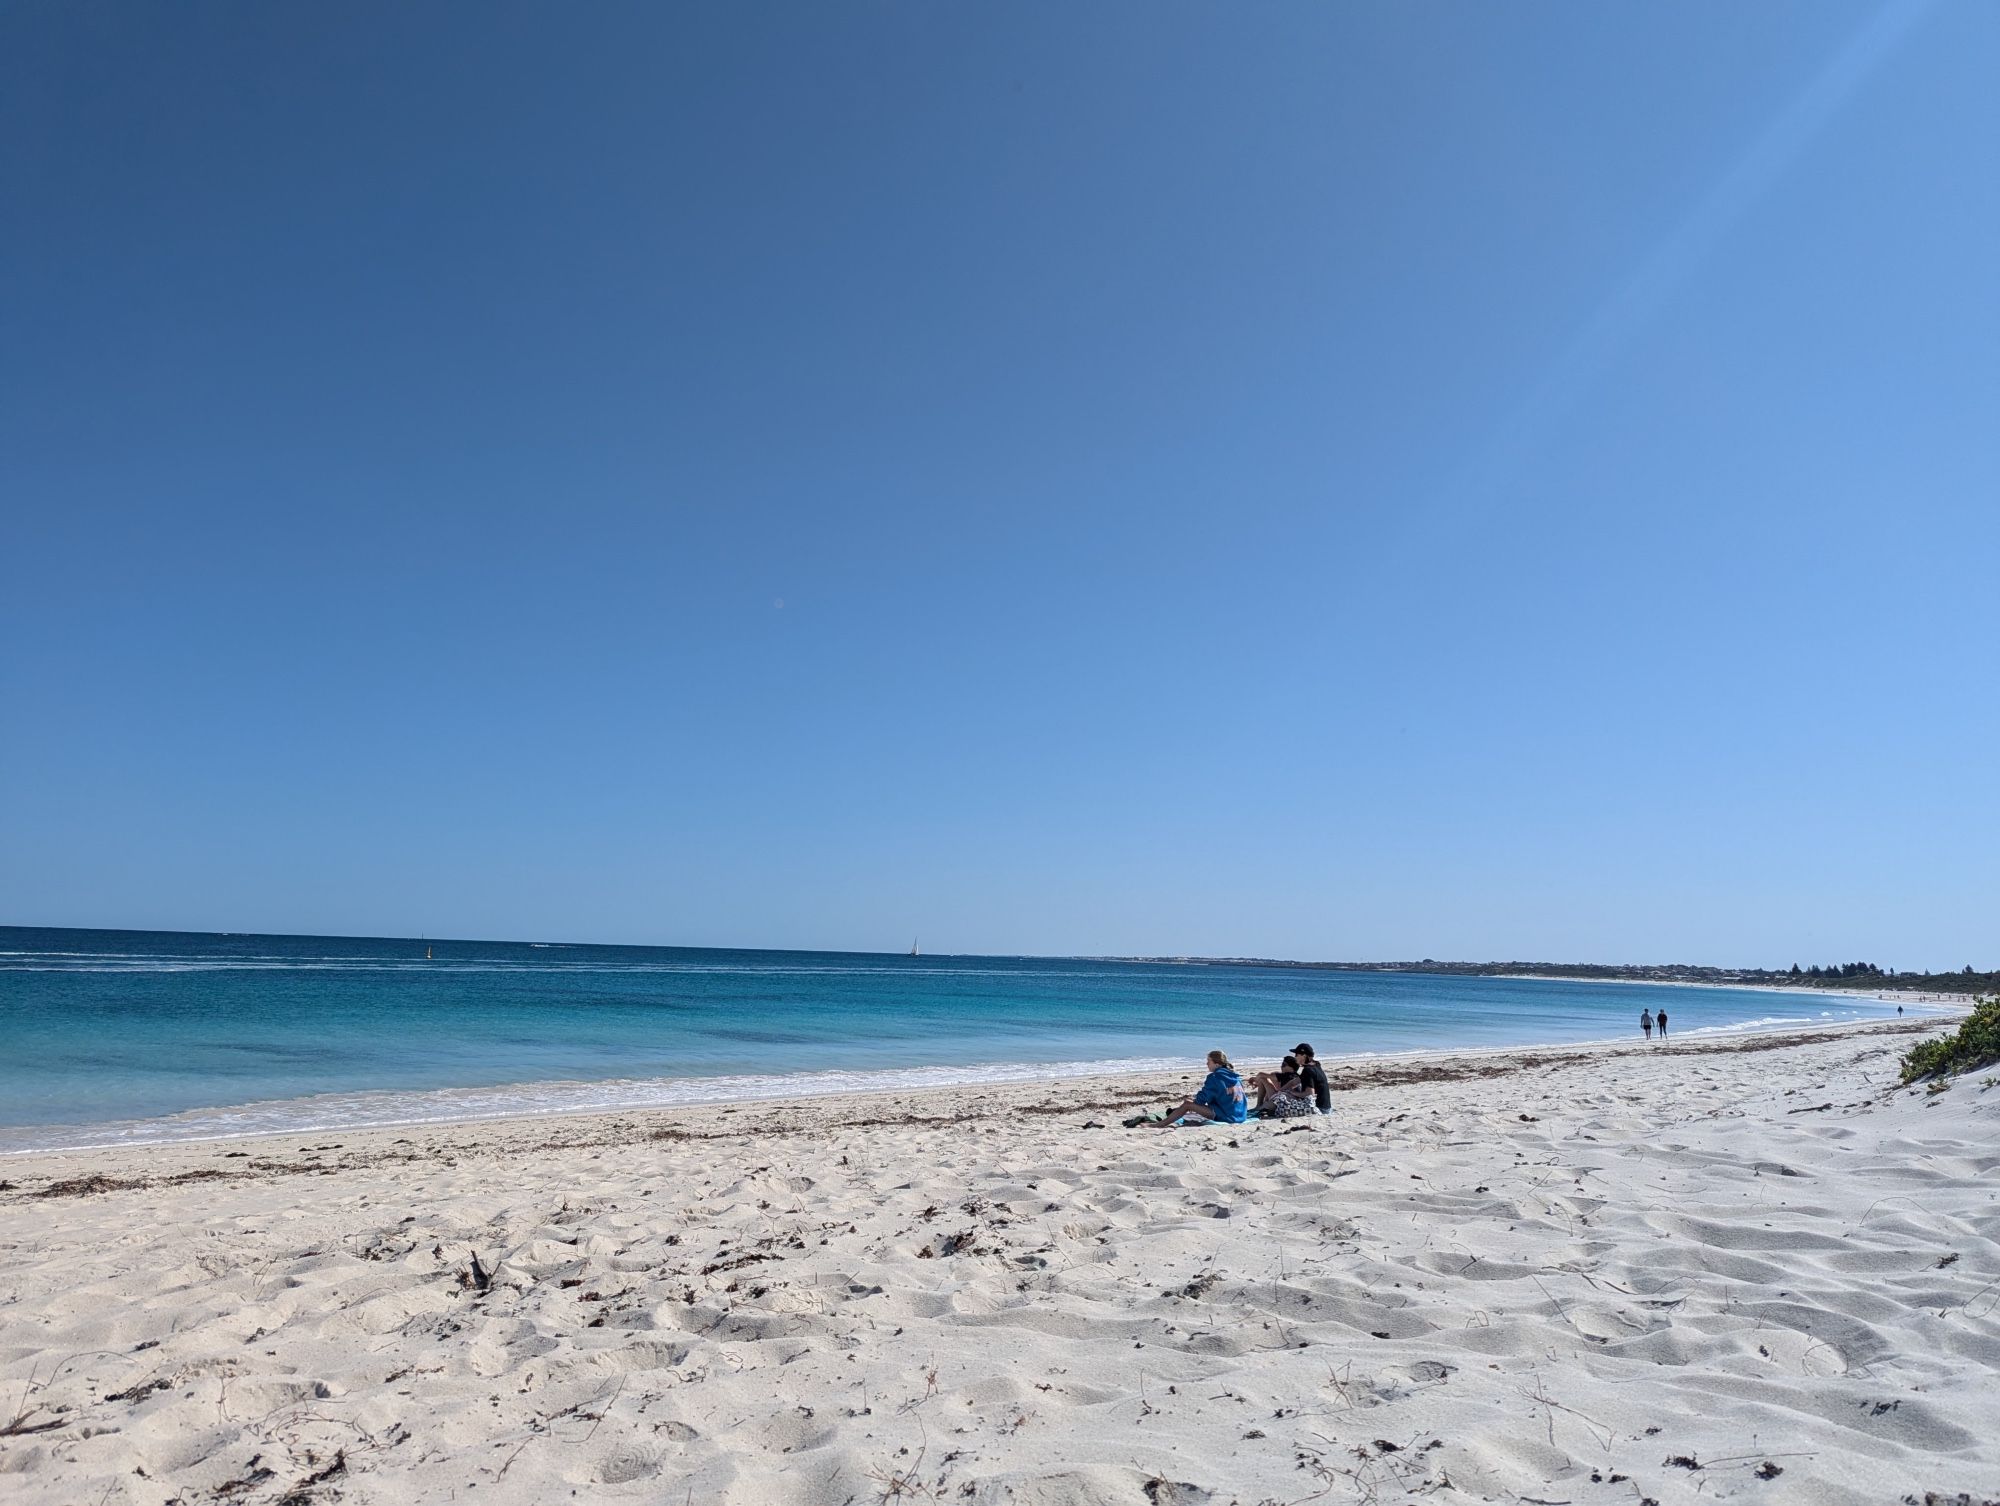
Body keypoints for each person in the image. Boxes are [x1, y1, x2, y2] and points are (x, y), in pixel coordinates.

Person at [1134, 1050, 1246, 1127]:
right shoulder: (1235, 1076)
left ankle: (1158, 1125)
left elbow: (1202, 1099)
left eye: (1209, 1061)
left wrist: (1194, 1102)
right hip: (1240, 1115)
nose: (1207, 1064)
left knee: (1187, 1104)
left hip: (1228, 1116)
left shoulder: (1215, 1077)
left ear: (1216, 1064)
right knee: (1191, 1104)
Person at [1292, 1042, 1332, 1114]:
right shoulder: (1316, 1064)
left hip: (1319, 1108)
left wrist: (1293, 1093)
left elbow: (1309, 1094)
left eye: (1296, 1055)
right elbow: (1296, 1079)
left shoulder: (1307, 1070)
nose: (1295, 1057)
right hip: (1327, 1107)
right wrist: (1284, 1088)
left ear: (1303, 1056)